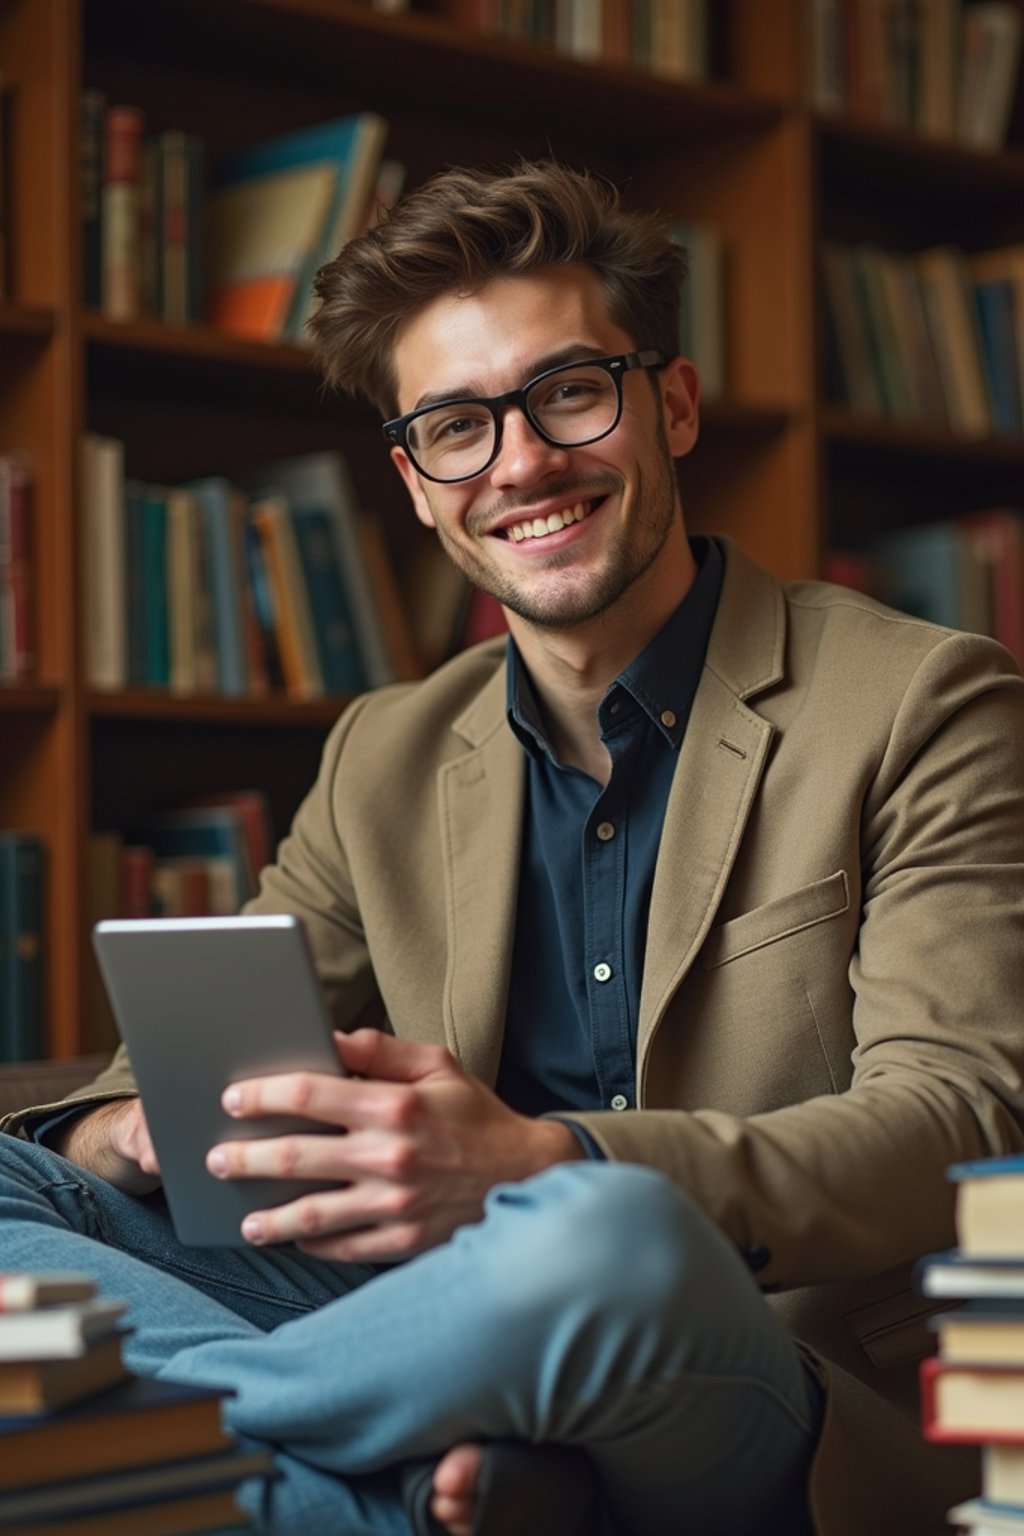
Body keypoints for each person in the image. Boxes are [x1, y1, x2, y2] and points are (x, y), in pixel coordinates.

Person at [3, 158, 1024, 1536]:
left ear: (669, 402)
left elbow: (959, 1122)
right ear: (417, 483)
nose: (524, 463)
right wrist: (136, 1128)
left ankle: (293, 1459)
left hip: (750, 1352)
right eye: (456, 427)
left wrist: (548, 1163)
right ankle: (405, 1484)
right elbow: (177, 1077)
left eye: (569, 393)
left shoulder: (927, 701)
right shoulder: (386, 750)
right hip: (415, 1314)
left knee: (600, 1240)